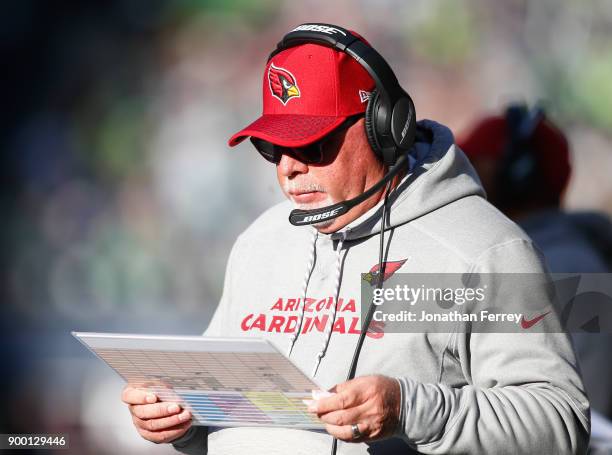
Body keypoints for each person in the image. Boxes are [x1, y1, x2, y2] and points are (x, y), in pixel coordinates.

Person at [122, 24, 590, 454]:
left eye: (311, 143)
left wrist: (410, 410)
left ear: (384, 127)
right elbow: (222, 409)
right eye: (273, 146)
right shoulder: (260, 239)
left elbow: (559, 423)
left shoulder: (487, 249)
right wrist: (182, 421)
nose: (288, 168)